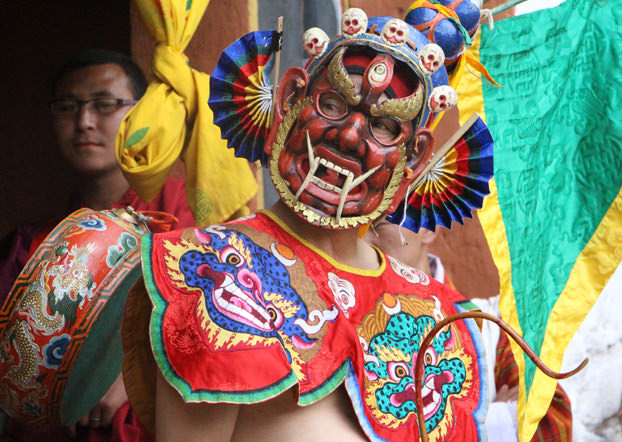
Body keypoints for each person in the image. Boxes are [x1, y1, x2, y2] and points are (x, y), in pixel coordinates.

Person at [122, 9, 493, 442]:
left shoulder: (436, 313)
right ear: (290, 99)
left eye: (385, 126)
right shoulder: (215, 272)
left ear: (414, 158)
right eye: (333, 103)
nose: (350, 136)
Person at [0, 49, 195, 441]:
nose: (85, 122)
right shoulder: (31, 245)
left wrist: (133, 373)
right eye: (68, 107)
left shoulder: (181, 215)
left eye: (104, 105)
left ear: (139, 115)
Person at [364, 217, 573, 441]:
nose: (364, 242)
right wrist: (492, 419)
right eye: (356, 228)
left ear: (427, 226)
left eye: (378, 223)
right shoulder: (344, 334)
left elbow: (552, 418)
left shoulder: (487, 326)